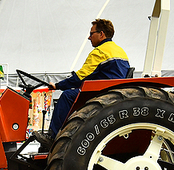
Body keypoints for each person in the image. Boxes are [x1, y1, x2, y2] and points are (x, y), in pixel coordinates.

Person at [34, 19, 131, 150]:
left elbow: (81, 76)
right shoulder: (120, 51)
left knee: (67, 96)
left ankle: (53, 137)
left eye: (92, 34)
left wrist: (58, 85)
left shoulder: (100, 52)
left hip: (101, 93)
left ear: (101, 34)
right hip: (113, 92)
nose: (89, 37)